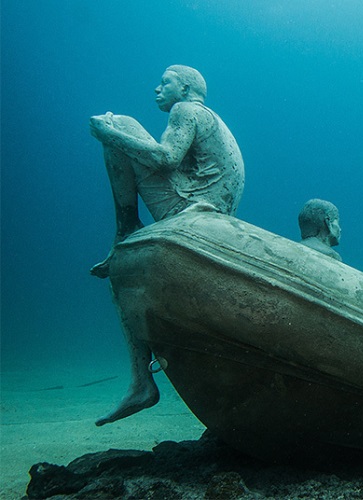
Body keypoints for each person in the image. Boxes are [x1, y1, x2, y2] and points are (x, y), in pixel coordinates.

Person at [89, 65, 245, 426]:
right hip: (212, 210)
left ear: (186, 87)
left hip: (189, 207)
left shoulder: (186, 110)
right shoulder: (211, 119)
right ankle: (142, 382)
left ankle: (125, 229)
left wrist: (107, 134)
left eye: (165, 83)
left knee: (118, 123)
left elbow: (165, 158)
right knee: (116, 129)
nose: (156, 89)